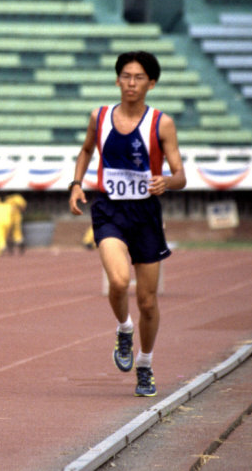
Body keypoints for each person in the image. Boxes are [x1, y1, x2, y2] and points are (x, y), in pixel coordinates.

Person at [68, 51, 186, 397]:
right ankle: (124, 328)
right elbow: (87, 150)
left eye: (138, 77)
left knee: (148, 300)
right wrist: (76, 183)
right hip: (109, 210)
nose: (131, 83)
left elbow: (180, 174)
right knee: (119, 282)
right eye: (125, 76)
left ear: (151, 83)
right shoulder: (100, 116)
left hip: (146, 214)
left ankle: (145, 364)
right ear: (117, 79)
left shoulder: (160, 123)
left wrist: (167, 181)